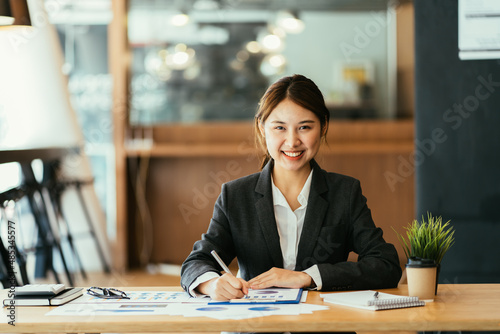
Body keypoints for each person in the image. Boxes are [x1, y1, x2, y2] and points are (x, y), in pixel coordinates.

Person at [180, 74, 402, 302]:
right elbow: (195, 263)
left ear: (324, 126)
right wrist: (212, 283)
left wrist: (308, 277)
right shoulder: (235, 195)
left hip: (320, 325)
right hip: (256, 325)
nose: (292, 141)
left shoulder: (345, 192)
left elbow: (386, 265)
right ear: (262, 128)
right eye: (280, 128)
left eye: (304, 127)